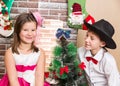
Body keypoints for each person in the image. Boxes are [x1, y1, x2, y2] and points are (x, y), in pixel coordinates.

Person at [0, 12, 45, 86]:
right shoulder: (10, 53)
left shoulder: (40, 53)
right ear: (18, 31)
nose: (30, 34)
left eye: (33, 30)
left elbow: (39, 76)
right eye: (25, 30)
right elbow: (13, 80)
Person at [78, 19, 120, 86]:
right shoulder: (80, 52)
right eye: (87, 35)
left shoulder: (108, 60)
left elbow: (114, 83)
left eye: (92, 38)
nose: (86, 40)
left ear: (102, 44)